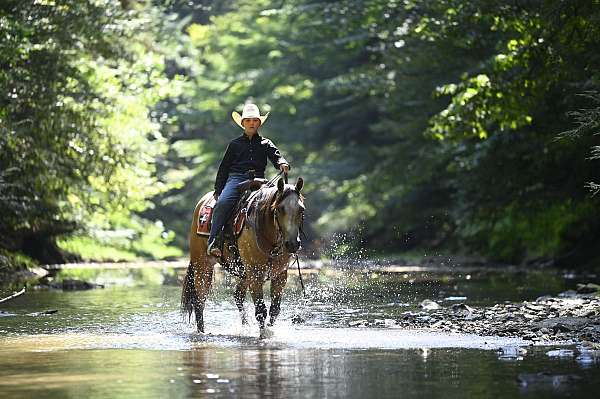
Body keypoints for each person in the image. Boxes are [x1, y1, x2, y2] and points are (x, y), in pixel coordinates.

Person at [207, 103, 290, 257]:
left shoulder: (266, 143)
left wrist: (282, 163)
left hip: (260, 181)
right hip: (236, 179)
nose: (252, 123)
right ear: (243, 123)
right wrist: (218, 190)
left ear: (259, 123)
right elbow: (224, 168)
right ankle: (214, 241)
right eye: (248, 120)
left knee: (279, 204)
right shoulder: (234, 145)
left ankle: (285, 242)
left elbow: (276, 156)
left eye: (255, 120)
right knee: (223, 203)